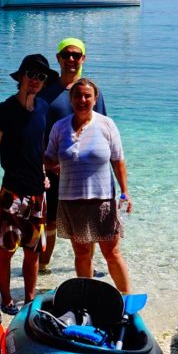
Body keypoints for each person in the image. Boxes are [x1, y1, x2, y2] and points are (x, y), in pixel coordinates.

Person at [44, 77, 132, 293]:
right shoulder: (60, 127)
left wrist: (125, 192)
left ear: (95, 99)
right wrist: (41, 165)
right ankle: (89, 298)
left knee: (112, 254)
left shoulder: (106, 124)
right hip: (71, 201)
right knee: (82, 254)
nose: (82, 100)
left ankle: (127, 298)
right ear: (71, 99)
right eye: (77, 96)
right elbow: (49, 157)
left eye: (87, 96)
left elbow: (118, 160)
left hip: (102, 199)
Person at [0, 53, 55, 315]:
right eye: (31, 74)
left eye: (41, 77)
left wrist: (44, 171)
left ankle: (29, 299)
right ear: (21, 77)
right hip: (11, 193)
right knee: (7, 249)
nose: (35, 80)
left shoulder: (44, 108)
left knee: (32, 251)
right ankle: (6, 300)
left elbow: (39, 147)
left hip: (38, 194)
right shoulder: (4, 110)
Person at [38, 37, 106, 272]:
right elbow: (37, 131)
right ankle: (43, 267)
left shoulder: (90, 92)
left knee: (87, 223)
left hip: (84, 172)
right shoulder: (46, 92)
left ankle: (88, 266)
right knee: (50, 223)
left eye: (76, 55)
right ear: (58, 58)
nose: (70, 59)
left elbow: (102, 130)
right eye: (66, 55)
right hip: (52, 170)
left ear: (83, 58)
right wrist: (42, 165)